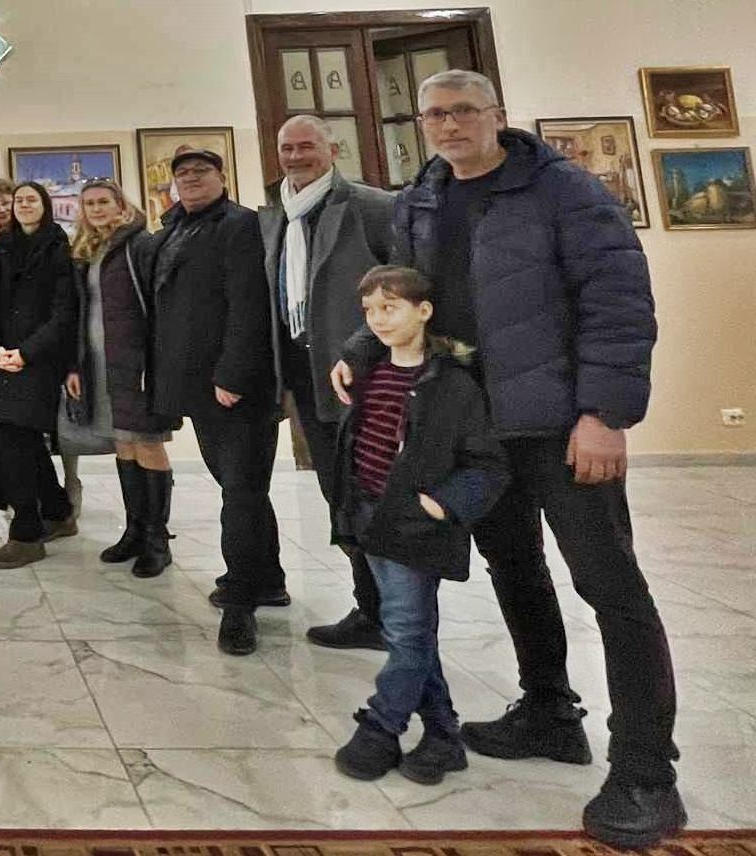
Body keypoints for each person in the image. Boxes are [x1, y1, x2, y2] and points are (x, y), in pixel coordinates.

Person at [331, 70, 681, 848]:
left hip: (560, 425)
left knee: (610, 586)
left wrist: (604, 415)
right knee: (514, 567)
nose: (448, 124)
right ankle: (550, 712)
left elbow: (618, 303)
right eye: (433, 114)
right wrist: (362, 346)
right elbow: (406, 292)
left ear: (497, 115)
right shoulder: (421, 197)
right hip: (476, 428)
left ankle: (647, 771)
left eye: (463, 110)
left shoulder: (565, 191)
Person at [329, 265, 508, 788]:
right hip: (370, 517)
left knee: (407, 632)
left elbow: (488, 464)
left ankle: (381, 725)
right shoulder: (370, 373)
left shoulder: (452, 384)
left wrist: (441, 505)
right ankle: (443, 734)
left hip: (415, 526)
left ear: (423, 311)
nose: (378, 319)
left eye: (390, 307)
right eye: (369, 310)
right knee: (407, 631)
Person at [258, 115, 399, 652]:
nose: (296, 156)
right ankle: (372, 607)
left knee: (370, 494)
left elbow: (403, 287)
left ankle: (391, 615)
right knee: (337, 492)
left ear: (331, 149)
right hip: (304, 374)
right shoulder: (276, 216)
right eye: (287, 148)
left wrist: (373, 351)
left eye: (307, 146)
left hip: (361, 375)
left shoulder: (369, 206)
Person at [149, 149, 284, 657]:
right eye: (182, 173)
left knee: (241, 493)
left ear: (222, 177)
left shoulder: (239, 224)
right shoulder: (176, 228)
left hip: (234, 386)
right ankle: (268, 579)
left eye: (201, 172)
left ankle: (240, 603)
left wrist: (234, 374)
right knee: (241, 487)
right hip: (198, 385)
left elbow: (249, 304)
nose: (190, 179)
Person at [71, 179, 176, 577]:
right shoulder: (91, 249)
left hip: (137, 365)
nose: (96, 209)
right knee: (123, 444)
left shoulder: (141, 244)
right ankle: (135, 531)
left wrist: (156, 363)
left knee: (147, 444)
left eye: (103, 202)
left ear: (120, 205)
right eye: (89, 204)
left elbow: (161, 306)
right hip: (101, 364)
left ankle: (157, 541)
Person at [0, 182, 77, 568]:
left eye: (30, 200)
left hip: (41, 358)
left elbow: (63, 313)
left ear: (45, 205)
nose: (23, 205)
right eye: (18, 200)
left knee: (11, 434)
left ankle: (26, 533)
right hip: (5, 356)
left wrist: (26, 353)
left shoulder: (59, 247)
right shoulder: (4, 248)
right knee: (21, 436)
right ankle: (57, 511)